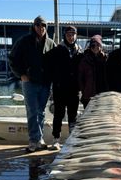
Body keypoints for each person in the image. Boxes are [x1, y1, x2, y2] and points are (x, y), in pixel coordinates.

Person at [9, 15, 56, 152]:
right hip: (29, 82)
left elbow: (55, 65)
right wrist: (21, 74)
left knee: (40, 112)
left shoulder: (51, 43)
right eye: (38, 25)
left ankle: (39, 138)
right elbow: (13, 59)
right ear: (33, 27)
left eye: (43, 26)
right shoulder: (24, 41)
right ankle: (33, 140)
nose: (40, 28)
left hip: (45, 84)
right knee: (32, 111)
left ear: (46, 28)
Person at [46, 26, 83, 150]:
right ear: (64, 35)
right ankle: (56, 139)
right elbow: (48, 67)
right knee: (58, 115)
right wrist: (54, 83)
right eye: (68, 34)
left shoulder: (80, 52)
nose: (71, 37)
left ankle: (72, 139)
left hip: (74, 90)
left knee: (73, 116)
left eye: (73, 34)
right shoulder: (57, 50)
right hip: (60, 89)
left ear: (76, 36)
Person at [78, 35, 108, 108]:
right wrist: (84, 90)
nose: (95, 48)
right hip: (89, 96)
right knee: (89, 117)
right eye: (93, 45)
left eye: (98, 45)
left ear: (101, 46)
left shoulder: (106, 59)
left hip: (103, 94)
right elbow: (80, 77)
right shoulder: (85, 60)